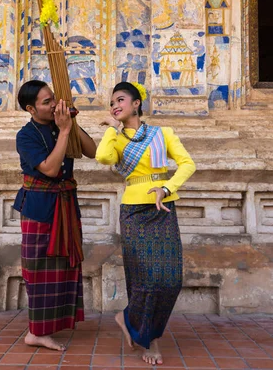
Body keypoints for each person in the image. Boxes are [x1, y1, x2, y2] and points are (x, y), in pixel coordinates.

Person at [95, 82, 196, 364]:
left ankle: (127, 318)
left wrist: (167, 187)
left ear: (136, 103)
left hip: (162, 207)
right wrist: (111, 128)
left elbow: (187, 164)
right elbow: (103, 157)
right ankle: (150, 340)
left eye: (121, 99)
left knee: (170, 279)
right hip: (133, 210)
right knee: (145, 279)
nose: (116, 105)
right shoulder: (116, 137)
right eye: (112, 102)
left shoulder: (162, 134)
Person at [13, 80, 97, 351]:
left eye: (53, 99)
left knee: (64, 264)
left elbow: (92, 151)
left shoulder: (62, 125)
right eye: (46, 102)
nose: (53, 105)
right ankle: (36, 332)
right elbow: (49, 169)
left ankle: (51, 326)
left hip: (66, 204)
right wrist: (63, 132)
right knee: (38, 269)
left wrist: (72, 124)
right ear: (31, 108)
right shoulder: (25, 136)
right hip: (39, 207)